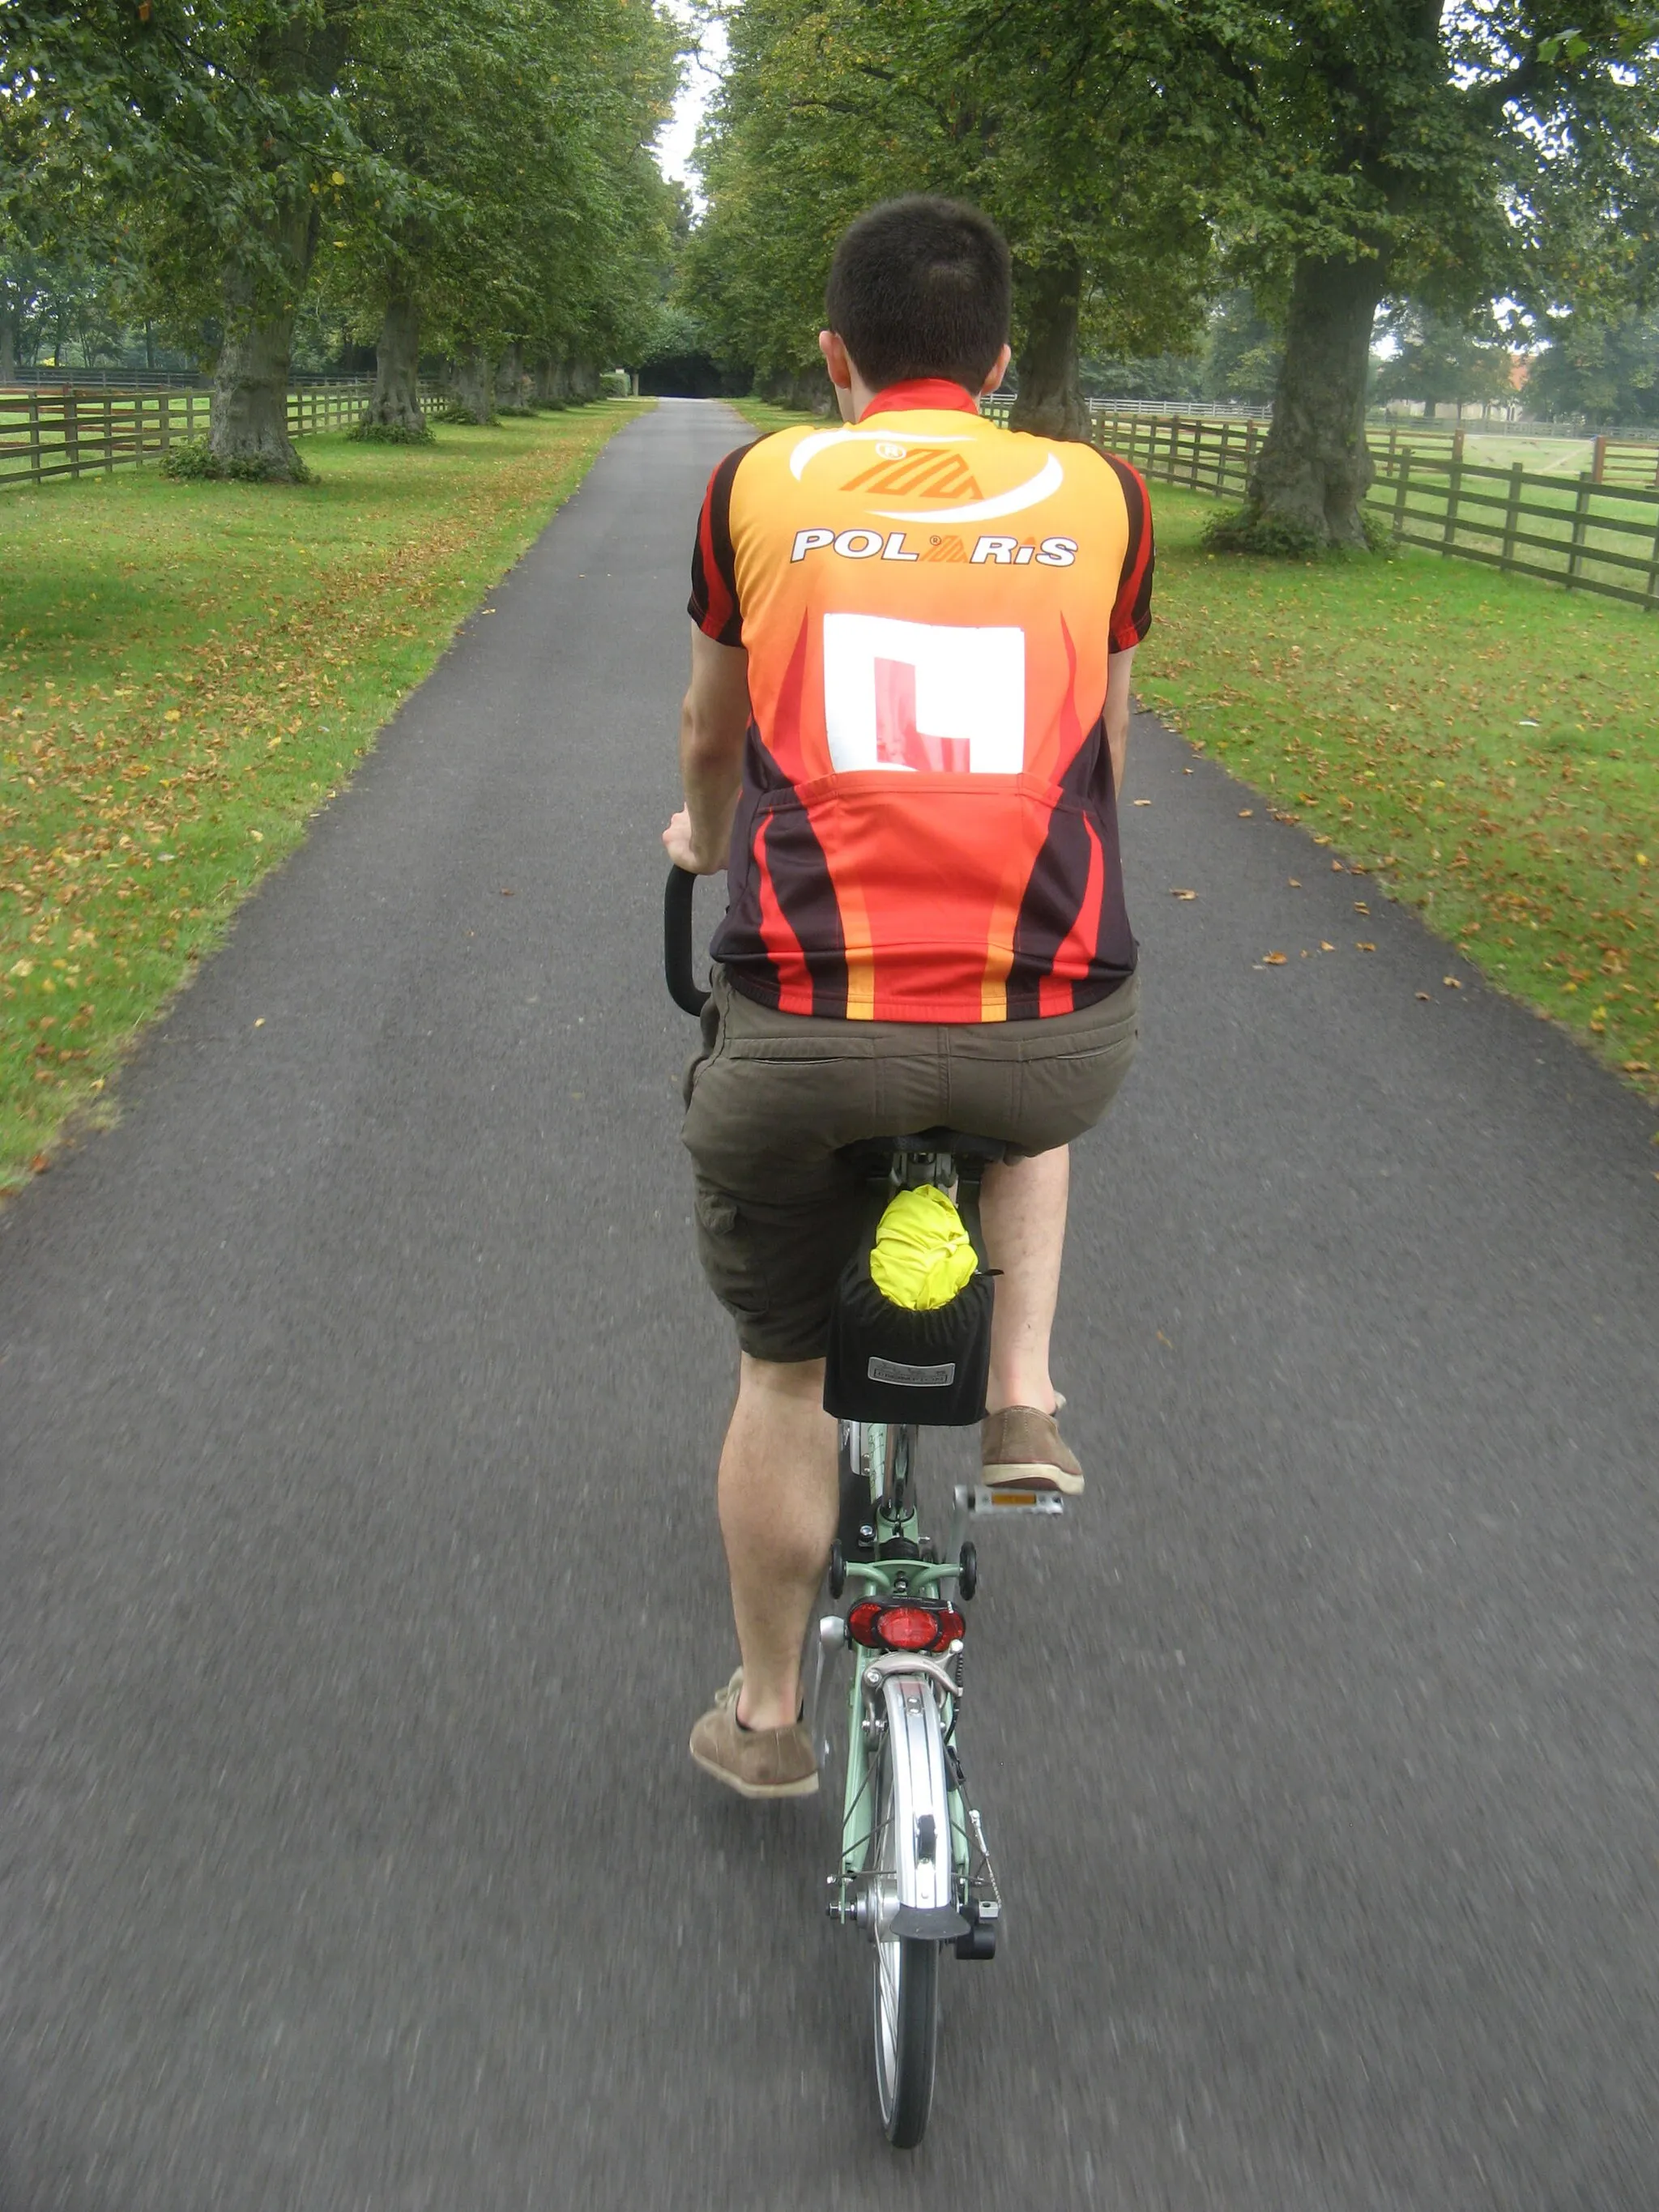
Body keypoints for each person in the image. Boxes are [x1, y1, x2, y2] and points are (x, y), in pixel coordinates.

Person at [663, 197, 1152, 1800]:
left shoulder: (758, 483)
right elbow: (1106, 753)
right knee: (1023, 1107)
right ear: (1002, 358)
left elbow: (710, 737)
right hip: (1046, 1026)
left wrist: (702, 837)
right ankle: (1021, 1393)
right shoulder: (1101, 496)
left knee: (782, 1372)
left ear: (831, 357)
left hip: (805, 1028)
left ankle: (767, 1716)